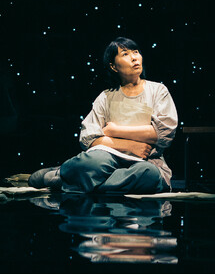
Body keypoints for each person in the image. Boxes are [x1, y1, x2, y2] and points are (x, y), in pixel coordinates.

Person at [29, 37, 178, 194]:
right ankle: (80, 177)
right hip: (108, 156)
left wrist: (114, 131)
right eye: (125, 54)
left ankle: (70, 179)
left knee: (149, 174)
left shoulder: (158, 90)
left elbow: (163, 133)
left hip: (145, 160)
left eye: (136, 52)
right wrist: (130, 146)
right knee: (90, 162)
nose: (134, 57)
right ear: (113, 66)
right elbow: (89, 138)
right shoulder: (106, 96)